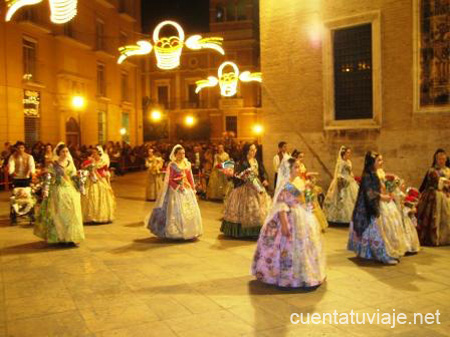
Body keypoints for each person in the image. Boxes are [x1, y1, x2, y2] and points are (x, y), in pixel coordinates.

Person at [252, 158, 326, 288]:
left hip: (300, 216)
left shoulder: (296, 183)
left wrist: (309, 189)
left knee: (303, 248)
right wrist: (285, 223)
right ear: (289, 170)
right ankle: (288, 276)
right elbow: (281, 204)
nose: (299, 169)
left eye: (299, 167)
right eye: (296, 167)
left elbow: (305, 202)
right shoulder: (287, 184)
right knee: (287, 247)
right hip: (289, 217)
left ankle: (303, 274)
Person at [347, 152, 406, 264]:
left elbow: (379, 187)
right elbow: (370, 193)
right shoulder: (368, 175)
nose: (381, 162)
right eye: (378, 160)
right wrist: (382, 197)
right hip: (372, 207)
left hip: (381, 204)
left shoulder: (376, 173)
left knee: (386, 229)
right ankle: (382, 254)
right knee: (378, 231)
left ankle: (386, 251)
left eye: (381, 160)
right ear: (371, 162)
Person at [146, 144, 203, 240]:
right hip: (175, 191)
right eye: (180, 154)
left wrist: (193, 188)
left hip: (186, 188)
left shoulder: (187, 163)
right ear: (175, 154)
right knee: (175, 210)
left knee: (189, 210)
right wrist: (177, 186)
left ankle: (190, 230)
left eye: (183, 153)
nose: (182, 155)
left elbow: (190, 177)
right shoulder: (172, 165)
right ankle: (176, 231)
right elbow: (170, 179)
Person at [34, 143, 85, 245]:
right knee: (59, 215)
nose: (65, 153)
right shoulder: (54, 164)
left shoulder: (70, 163)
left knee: (73, 213)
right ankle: (60, 237)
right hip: (58, 190)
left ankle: (71, 237)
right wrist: (46, 190)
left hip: (70, 190)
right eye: (63, 151)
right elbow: (48, 177)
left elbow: (74, 176)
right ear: (58, 153)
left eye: (66, 151)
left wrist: (80, 183)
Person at [221, 143, 271, 238]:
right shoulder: (242, 162)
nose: (254, 152)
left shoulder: (257, 161)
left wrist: (264, 179)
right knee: (245, 209)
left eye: (255, 149)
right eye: (251, 150)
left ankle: (257, 230)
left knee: (258, 210)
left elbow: (262, 171)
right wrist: (241, 176)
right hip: (244, 187)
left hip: (256, 186)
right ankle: (243, 231)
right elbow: (237, 174)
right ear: (247, 151)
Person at [416, 149, 450, 246]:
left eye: (443, 159)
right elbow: (426, 184)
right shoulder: (432, 170)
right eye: (439, 159)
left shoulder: (448, 171)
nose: (441, 161)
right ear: (436, 159)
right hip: (435, 195)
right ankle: (435, 238)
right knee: (435, 215)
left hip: (446, 195)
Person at [323, 146, 359, 225]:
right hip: (342, 181)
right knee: (341, 199)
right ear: (344, 153)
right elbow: (338, 173)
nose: (349, 154)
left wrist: (351, 177)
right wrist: (342, 179)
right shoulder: (340, 162)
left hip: (349, 181)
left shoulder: (349, 162)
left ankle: (351, 217)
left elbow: (350, 172)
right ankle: (339, 218)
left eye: (350, 152)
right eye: (348, 152)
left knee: (352, 198)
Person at [80, 146, 116, 224]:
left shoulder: (102, 162)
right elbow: (84, 168)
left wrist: (106, 180)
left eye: (95, 153)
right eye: (92, 153)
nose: (93, 155)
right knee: (91, 197)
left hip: (100, 180)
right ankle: (91, 217)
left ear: (99, 153)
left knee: (101, 197)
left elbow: (106, 172)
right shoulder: (90, 162)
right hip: (91, 180)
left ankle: (101, 216)